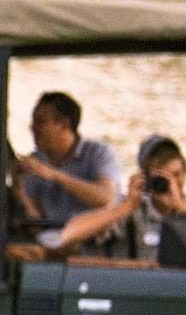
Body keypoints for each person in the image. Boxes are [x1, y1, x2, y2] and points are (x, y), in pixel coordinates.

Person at [44, 135, 186, 260]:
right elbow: (67, 236)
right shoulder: (131, 209)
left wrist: (183, 211)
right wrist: (126, 207)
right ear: (146, 177)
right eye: (163, 178)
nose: (172, 184)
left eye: (177, 175)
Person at [14, 92, 120, 226]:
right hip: (53, 240)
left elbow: (105, 197)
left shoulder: (98, 153)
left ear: (64, 124)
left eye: (40, 121)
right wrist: (18, 186)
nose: (33, 127)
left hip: (96, 241)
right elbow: (36, 222)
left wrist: (55, 175)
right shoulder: (36, 160)